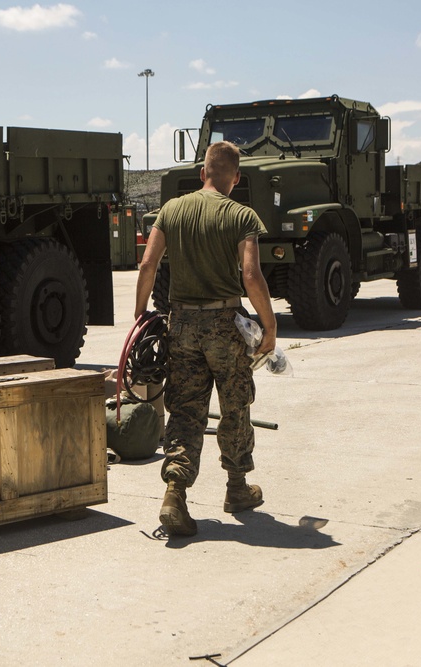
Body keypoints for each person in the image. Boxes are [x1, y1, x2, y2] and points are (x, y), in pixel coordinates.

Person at [134, 141, 277, 536]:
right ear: (236, 178)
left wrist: (139, 310)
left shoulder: (172, 210)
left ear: (202, 174)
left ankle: (175, 494)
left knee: (185, 411)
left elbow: (148, 263)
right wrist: (270, 326)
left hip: (180, 325)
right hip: (224, 327)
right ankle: (236, 489)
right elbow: (251, 276)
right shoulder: (241, 215)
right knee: (234, 407)